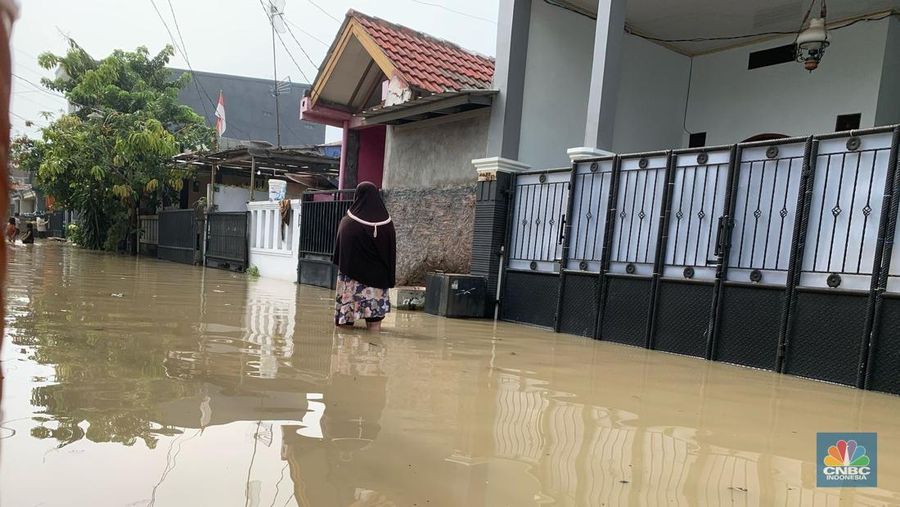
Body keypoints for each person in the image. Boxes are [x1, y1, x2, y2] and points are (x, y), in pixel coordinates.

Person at [332, 182, 396, 331]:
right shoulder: (388, 224)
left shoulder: (347, 223)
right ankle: (374, 347)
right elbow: (390, 252)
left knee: (345, 324)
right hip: (378, 281)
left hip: (352, 280)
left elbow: (341, 251)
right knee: (375, 324)